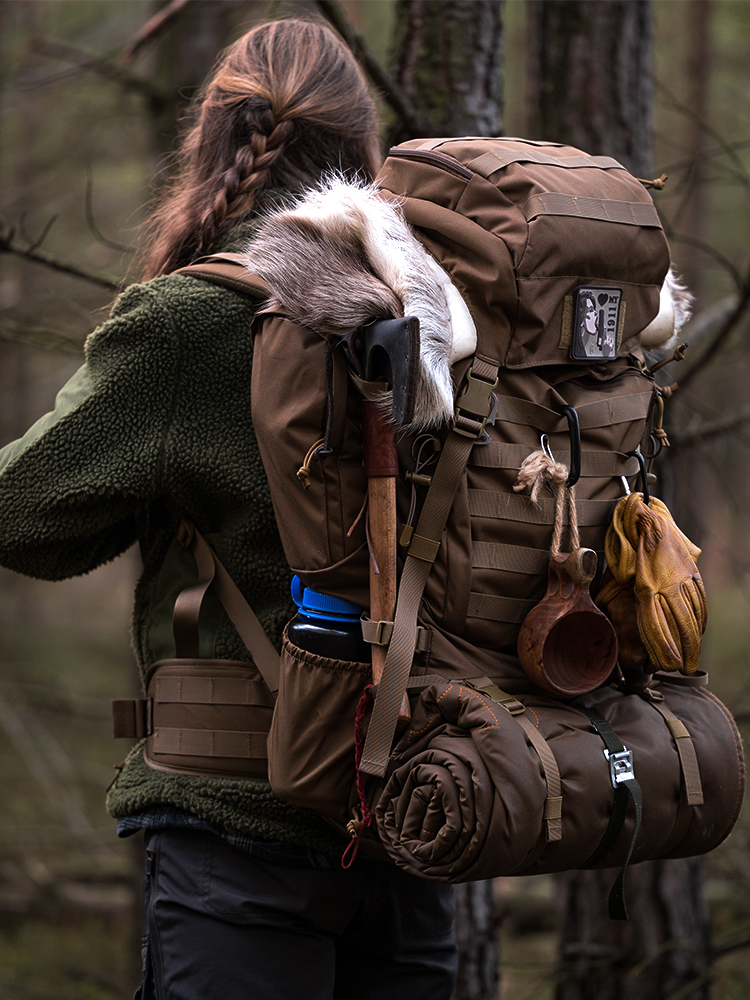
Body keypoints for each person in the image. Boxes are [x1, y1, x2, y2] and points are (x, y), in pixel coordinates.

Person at [0, 19, 457, 1000]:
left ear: (214, 140)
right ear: (362, 152)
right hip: (414, 819)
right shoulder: (436, 327)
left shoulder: (188, 325)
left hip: (236, 834)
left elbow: (18, 513)